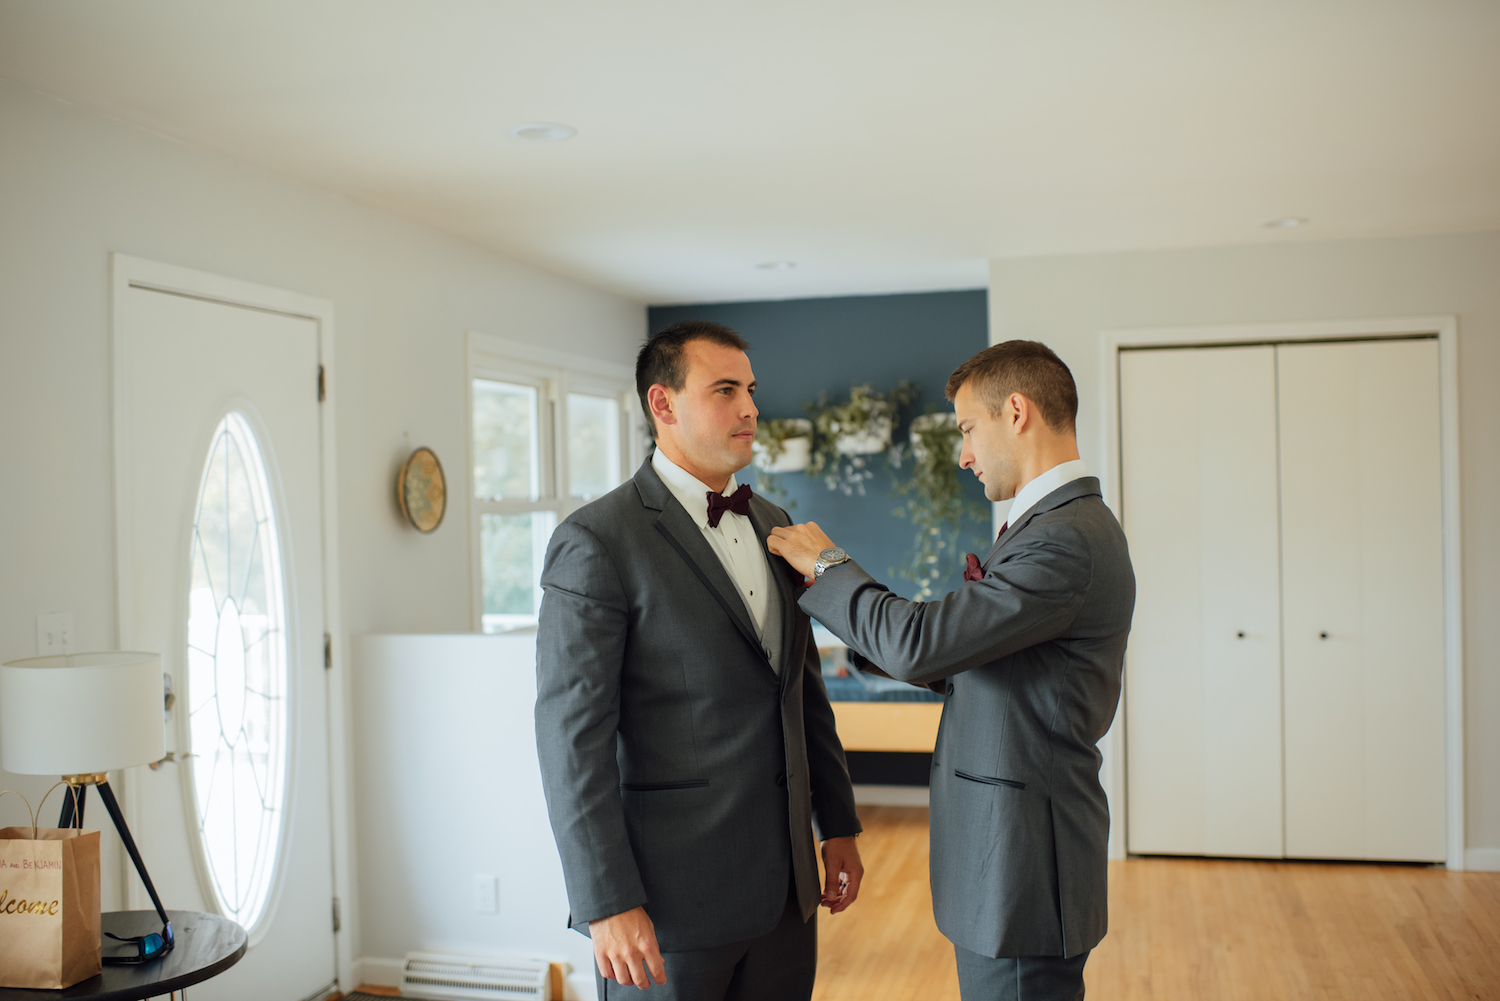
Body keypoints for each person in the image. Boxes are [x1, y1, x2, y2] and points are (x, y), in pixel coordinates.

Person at [768, 340, 1134, 1001]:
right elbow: (966, 651)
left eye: (968, 429)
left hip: (1023, 871)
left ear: (1015, 412)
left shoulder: (1063, 539)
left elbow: (923, 643)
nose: (964, 452)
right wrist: (856, 646)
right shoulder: (1053, 525)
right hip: (1015, 861)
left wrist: (828, 565)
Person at [535, 320, 864, 1001]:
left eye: (749, 388)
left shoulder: (778, 522)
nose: (749, 407)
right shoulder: (596, 541)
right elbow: (572, 741)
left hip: (785, 897)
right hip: (665, 910)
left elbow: (801, 693)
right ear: (663, 404)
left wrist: (837, 825)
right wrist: (605, 900)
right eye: (724, 390)